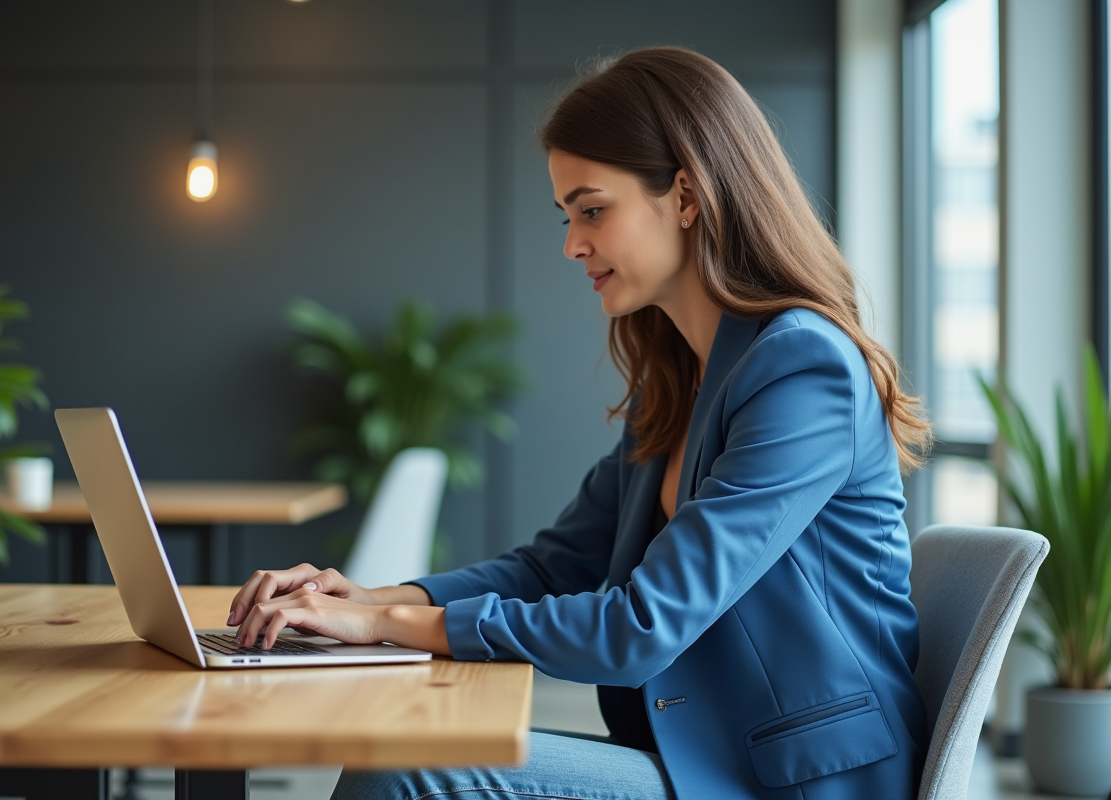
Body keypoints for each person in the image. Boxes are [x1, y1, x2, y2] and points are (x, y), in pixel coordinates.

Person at [226, 46, 932, 800]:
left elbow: (639, 627)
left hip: (795, 781)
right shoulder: (684, 375)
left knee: (408, 765)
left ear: (687, 196)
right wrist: (373, 600)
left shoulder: (802, 369)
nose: (572, 244)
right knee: (408, 751)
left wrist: (389, 630)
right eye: (567, 216)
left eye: (593, 210)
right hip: (700, 753)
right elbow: (548, 567)